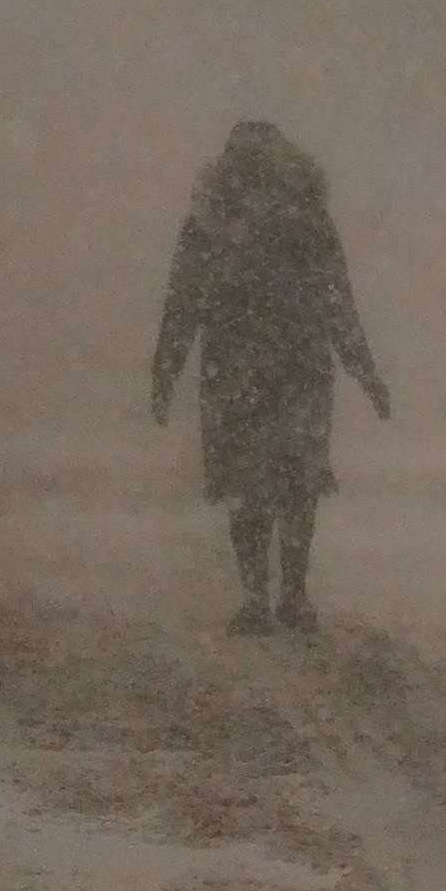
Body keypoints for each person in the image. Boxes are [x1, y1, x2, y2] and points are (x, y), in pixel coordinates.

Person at [152, 120, 391, 635]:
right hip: (286, 367)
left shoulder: (221, 220)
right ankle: (282, 596)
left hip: (249, 370)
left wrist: (166, 373)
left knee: (262, 485)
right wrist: (364, 371)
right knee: (286, 484)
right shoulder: (298, 217)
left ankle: (268, 597)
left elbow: (183, 303)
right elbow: (336, 302)